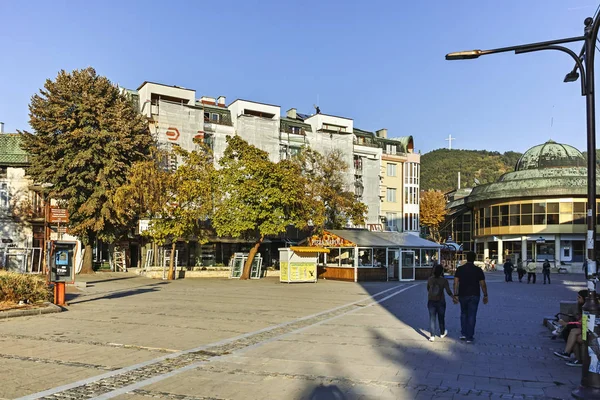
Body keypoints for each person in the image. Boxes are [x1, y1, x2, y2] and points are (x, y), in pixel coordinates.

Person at [453, 251, 488, 343]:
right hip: (474, 294)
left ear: (466, 258)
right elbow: (482, 284)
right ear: (474, 258)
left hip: (462, 294)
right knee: (472, 315)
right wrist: (485, 295)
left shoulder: (460, 269)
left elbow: (456, 282)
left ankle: (464, 333)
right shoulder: (478, 270)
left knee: (463, 313)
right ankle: (470, 336)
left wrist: (455, 294)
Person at [426, 264, 455, 342]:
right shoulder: (444, 280)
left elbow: (428, 288)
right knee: (441, 318)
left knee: (432, 318)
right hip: (441, 301)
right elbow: (448, 291)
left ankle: (432, 336)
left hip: (431, 300)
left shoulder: (430, 279)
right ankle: (442, 333)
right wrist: (454, 297)